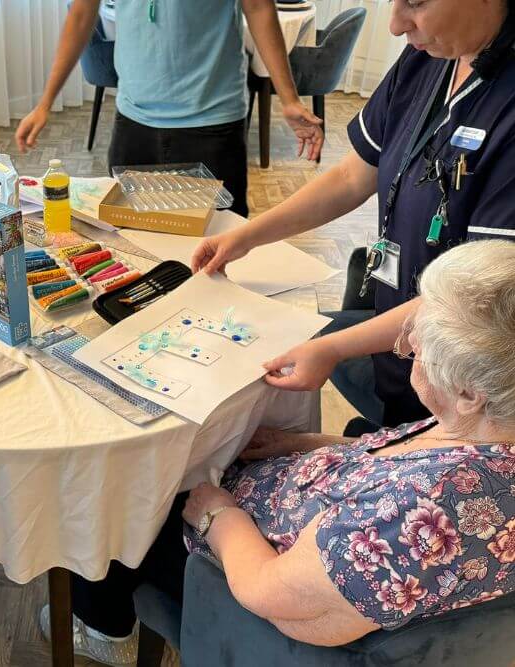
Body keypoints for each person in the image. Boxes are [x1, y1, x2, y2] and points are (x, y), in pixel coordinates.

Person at [46, 240, 515, 665]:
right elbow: (401, 456)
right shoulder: (488, 428)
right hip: (294, 507)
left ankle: (104, 630)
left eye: (422, 340)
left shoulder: (417, 515)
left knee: (117, 501)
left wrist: (218, 515)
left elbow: (271, 593)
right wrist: (303, 444)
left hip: (238, 574)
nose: (408, 341)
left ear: (470, 391)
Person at [192, 0, 515, 429]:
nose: (397, 26)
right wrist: (249, 236)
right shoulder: (430, 57)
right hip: (399, 332)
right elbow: (352, 176)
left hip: (458, 385)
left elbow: (473, 301)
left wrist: (334, 350)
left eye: (415, 4)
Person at [14, 0, 325, 217]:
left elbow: (258, 7)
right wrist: (45, 103)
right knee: (132, 240)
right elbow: (82, 13)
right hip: (133, 122)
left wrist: (289, 98)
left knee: (216, 249)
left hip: (212, 121)